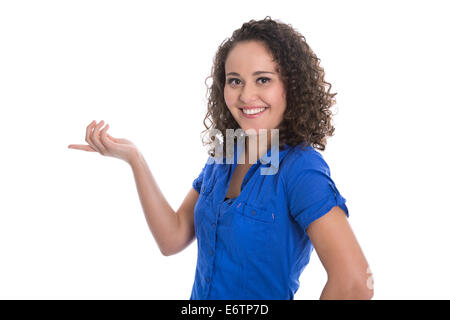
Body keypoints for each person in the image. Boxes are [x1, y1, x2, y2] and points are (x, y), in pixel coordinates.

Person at [68, 16, 373, 300]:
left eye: (263, 80)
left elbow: (354, 281)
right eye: (235, 80)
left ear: (291, 87)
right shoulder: (225, 153)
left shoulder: (300, 168)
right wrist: (134, 158)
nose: (245, 96)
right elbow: (172, 238)